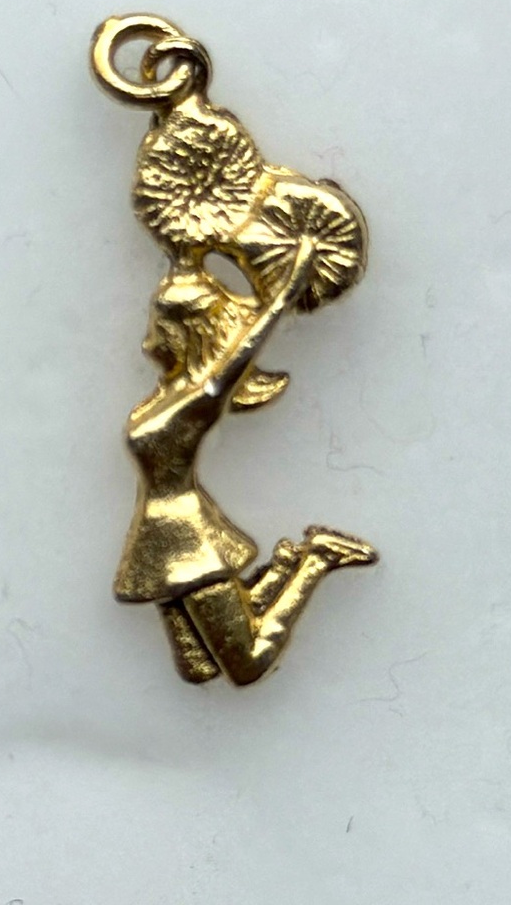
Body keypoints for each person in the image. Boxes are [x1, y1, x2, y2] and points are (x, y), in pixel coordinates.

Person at [114, 236, 377, 685]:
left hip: (186, 536)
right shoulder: (166, 396)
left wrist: (286, 292)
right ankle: (282, 568)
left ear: (181, 336)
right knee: (197, 668)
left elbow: (237, 355)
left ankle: (316, 560)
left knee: (247, 664)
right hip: (156, 534)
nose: (146, 341)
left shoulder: (198, 402)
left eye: (157, 328)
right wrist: (185, 250)